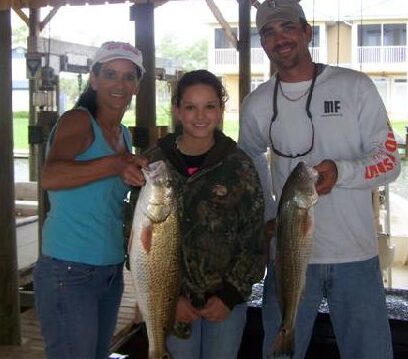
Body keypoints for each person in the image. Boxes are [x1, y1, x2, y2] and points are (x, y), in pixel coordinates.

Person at [238, 1, 401, 358]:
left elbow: (389, 161)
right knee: (280, 350)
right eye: (268, 32)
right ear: (262, 43)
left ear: (306, 31)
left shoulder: (354, 87)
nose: (279, 39)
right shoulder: (257, 104)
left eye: (287, 28)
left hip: (355, 254)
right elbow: (247, 159)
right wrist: (269, 214)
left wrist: (341, 171)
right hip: (289, 256)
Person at [137, 69, 266, 358]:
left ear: (221, 110)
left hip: (225, 304)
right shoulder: (154, 162)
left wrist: (230, 295)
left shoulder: (239, 166)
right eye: (190, 107)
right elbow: (134, 235)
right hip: (171, 302)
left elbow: (255, 240)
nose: (200, 115)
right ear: (177, 111)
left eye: (209, 106)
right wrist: (170, 298)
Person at [33, 41, 148, 359]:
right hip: (69, 272)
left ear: (137, 86)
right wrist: (116, 164)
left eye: (128, 77)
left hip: (110, 273)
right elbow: (51, 176)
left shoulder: (123, 135)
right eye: (110, 74)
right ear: (94, 80)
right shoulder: (78, 121)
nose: (120, 84)